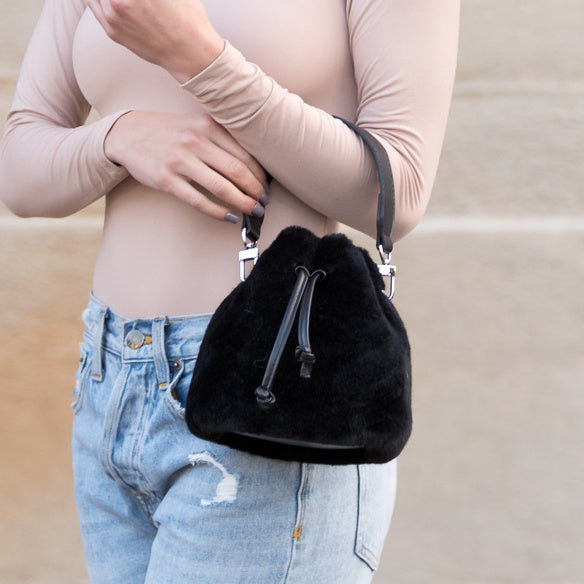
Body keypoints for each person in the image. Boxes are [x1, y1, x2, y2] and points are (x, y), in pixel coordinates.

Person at [0, 1, 460, 582]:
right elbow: (19, 170)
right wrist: (119, 138)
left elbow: (398, 191)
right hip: (110, 377)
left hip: (270, 392)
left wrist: (198, 59)